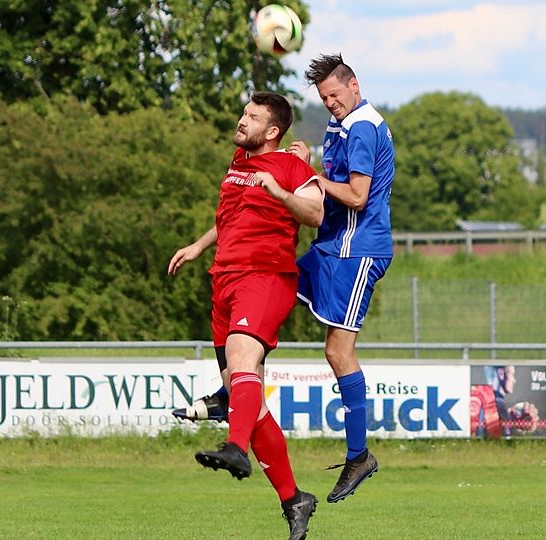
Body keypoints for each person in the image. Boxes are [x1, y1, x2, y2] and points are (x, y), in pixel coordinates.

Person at [168, 91, 324, 540]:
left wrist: (280, 190)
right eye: (244, 112)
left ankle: (235, 448)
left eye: (252, 117)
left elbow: (315, 212)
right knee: (246, 399)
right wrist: (199, 245)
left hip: (265, 276)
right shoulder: (240, 161)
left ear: (273, 130)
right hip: (225, 280)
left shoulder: (292, 168)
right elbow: (232, 216)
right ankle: (294, 499)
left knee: (241, 367)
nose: (242, 120)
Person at [283, 52, 394, 503]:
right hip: (332, 246)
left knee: (337, 351)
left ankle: (358, 456)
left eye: (335, 94)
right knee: (271, 288)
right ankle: (233, 388)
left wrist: (309, 176)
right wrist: (312, 167)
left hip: (357, 251)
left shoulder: (363, 126)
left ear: (354, 85)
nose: (330, 103)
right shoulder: (342, 123)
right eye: (324, 97)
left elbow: (357, 195)